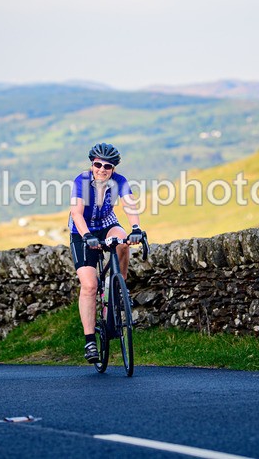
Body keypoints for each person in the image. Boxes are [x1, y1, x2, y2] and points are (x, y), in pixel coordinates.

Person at [68, 142, 145, 364]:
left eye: (107, 166)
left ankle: (117, 286)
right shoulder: (81, 181)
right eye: (98, 164)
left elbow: (130, 205)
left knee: (123, 242)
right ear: (92, 164)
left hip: (107, 224)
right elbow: (77, 213)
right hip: (82, 231)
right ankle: (90, 340)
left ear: (114, 169)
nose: (102, 169)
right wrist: (86, 237)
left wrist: (136, 229)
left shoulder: (119, 182)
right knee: (90, 286)